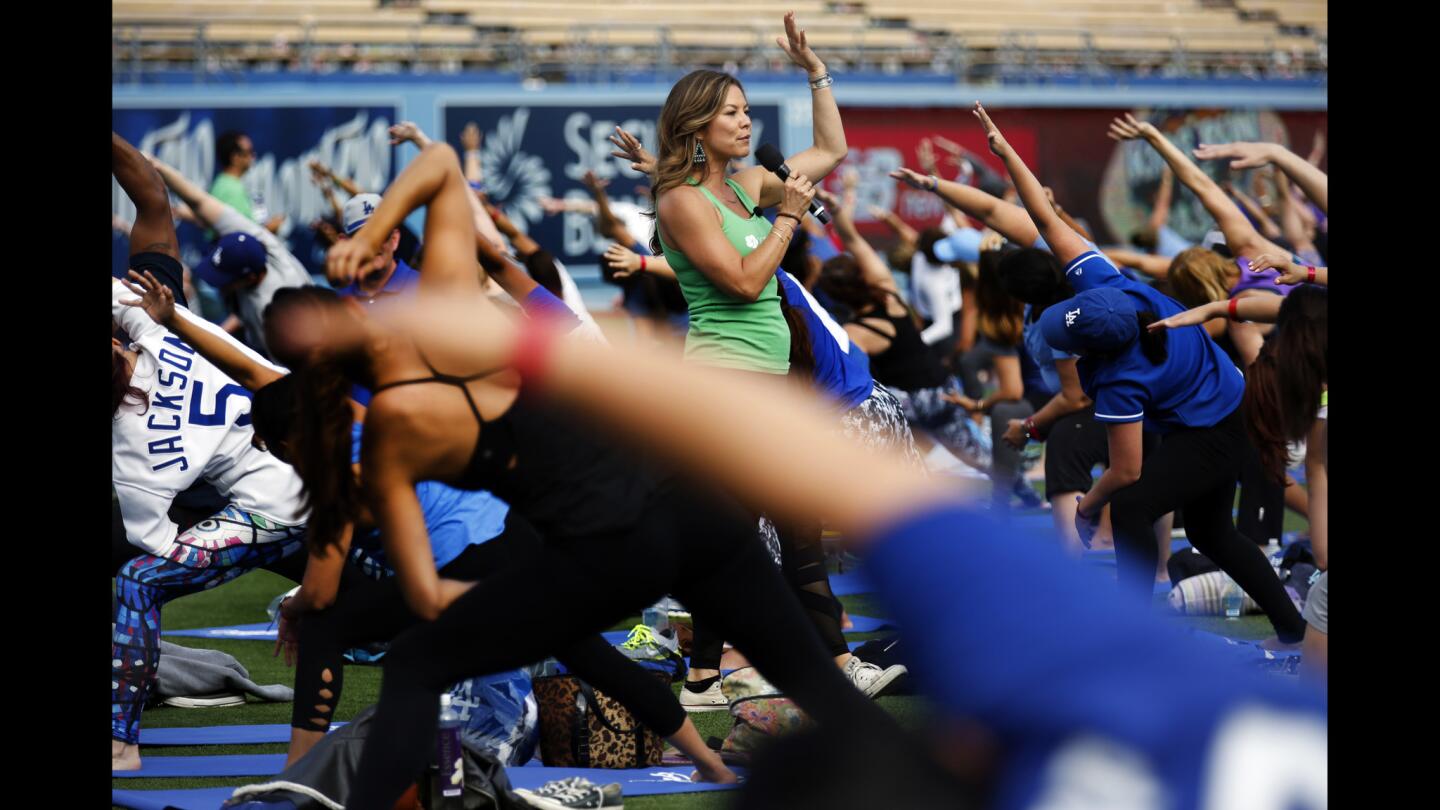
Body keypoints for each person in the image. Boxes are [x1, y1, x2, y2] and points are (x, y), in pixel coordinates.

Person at [357, 275, 1326, 810]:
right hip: (722, 498)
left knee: (426, 660)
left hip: (680, 512)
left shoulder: (419, 417)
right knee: (824, 668)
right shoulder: (1138, 686)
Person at [282, 140, 900, 807]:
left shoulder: (388, 429)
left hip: (612, 544)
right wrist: (373, 233)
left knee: (416, 660)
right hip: (689, 500)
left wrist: (513, 606)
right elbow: (438, 165)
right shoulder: (446, 324)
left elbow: (429, 602)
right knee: (816, 682)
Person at [119, 272, 733, 779]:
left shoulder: (338, 470)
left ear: (293, 440)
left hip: (470, 561)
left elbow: (326, 590)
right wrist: (175, 321)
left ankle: (300, 771)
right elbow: (262, 379)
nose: (276, 458)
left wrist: (297, 607)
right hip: (516, 538)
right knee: (587, 654)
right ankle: (707, 760)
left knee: (333, 626)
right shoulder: (348, 409)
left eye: (274, 449)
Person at [970, 102, 1306, 644]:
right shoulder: (1115, 289)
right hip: (1226, 406)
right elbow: (1047, 221)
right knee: (1210, 530)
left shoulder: (1123, 378)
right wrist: (1007, 153)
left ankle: (1130, 638)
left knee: (1131, 506)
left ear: (1089, 348)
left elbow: (1124, 473)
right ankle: (1290, 628)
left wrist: (1088, 506)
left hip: (1218, 427)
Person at [110, 276, 308, 772]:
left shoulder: (132, 457)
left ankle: (121, 744)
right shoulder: (156, 329)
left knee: (138, 584)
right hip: (317, 443)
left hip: (276, 506)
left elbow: (155, 544)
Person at [149, 155, 312, 357]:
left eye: (225, 279)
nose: (219, 284)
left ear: (250, 278)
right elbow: (200, 202)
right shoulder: (263, 242)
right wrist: (157, 165)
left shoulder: (276, 312)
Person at [211, 130, 284, 234]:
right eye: (249, 152)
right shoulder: (231, 189)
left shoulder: (223, 183)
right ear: (235, 157)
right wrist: (270, 229)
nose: (253, 156)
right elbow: (239, 234)